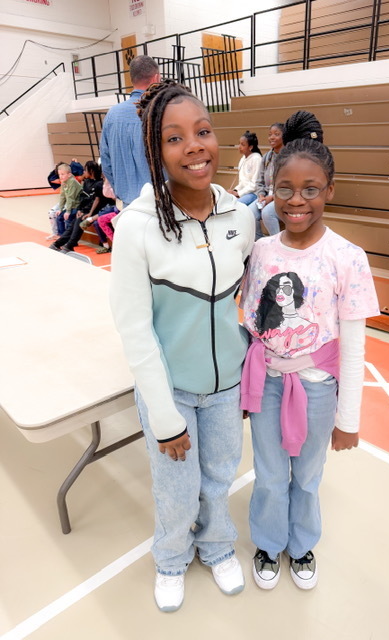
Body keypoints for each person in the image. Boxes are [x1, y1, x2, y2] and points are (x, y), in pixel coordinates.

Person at [110, 80, 255, 613]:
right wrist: (165, 415)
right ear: (156, 151)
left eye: (203, 131)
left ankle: (216, 547)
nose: (194, 146)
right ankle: (171, 559)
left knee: (219, 476)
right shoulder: (137, 227)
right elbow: (134, 328)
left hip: (226, 384)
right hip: (170, 388)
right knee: (175, 485)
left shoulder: (239, 215)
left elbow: (249, 297)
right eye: (175, 138)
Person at [240, 110, 379, 592]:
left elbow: (355, 347)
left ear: (329, 191)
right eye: (285, 189)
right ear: (271, 191)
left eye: (310, 189)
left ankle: (301, 546)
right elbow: (252, 325)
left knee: (307, 474)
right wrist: (244, 389)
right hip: (268, 383)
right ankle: (268, 539)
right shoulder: (261, 253)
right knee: (270, 473)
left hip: (318, 391)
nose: (296, 201)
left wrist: (350, 418)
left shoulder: (347, 258)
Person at [100, 55, 160, 208]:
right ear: (156, 78)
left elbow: (106, 162)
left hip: (128, 203)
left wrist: (120, 189)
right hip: (161, 200)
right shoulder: (162, 111)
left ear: (131, 80)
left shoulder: (112, 114)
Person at [49, 162, 115, 253]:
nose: (83, 172)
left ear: (91, 171)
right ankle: (58, 244)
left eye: (85, 170)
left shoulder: (99, 184)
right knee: (74, 222)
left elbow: (97, 202)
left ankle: (69, 245)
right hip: (86, 209)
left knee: (79, 222)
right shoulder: (86, 182)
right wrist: (80, 209)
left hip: (97, 210)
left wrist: (89, 213)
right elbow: (83, 198)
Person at [248, 122, 284, 240]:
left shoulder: (289, 157)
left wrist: (273, 197)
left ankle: (276, 244)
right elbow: (259, 181)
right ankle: (259, 243)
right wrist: (261, 195)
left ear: (284, 136)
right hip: (266, 197)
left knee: (267, 213)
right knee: (249, 213)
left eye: (276, 134)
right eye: (270, 134)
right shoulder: (267, 157)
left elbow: (289, 186)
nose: (271, 137)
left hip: (283, 197)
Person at [227, 131, 262, 205]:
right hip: (243, 192)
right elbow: (242, 182)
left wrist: (238, 193)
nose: (239, 146)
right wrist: (235, 191)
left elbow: (254, 185)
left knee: (237, 205)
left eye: (242, 144)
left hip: (253, 194)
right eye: (239, 143)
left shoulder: (256, 159)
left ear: (250, 147)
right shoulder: (243, 159)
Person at [51, 163, 83, 237]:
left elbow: (70, 198)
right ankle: (62, 236)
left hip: (76, 205)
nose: (60, 176)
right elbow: (62, 196)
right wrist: (61, 209)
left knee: (68, 218)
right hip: (70, 205)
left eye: (62, 174)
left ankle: (68, 238)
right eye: (59, 174)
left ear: (69, 174)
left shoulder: (72, 182)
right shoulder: (64, 182)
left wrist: (68, 211)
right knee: (59, 217)